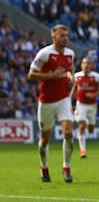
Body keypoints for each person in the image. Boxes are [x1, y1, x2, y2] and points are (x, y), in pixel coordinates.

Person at [28, 24, 75, 183]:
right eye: (62, 35)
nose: (65, 38)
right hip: (46, 102)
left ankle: (66, 168)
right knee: (45, 140)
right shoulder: (44, 54)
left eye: (66, 35)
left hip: (63, 99)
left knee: (68, 133)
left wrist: (71, 78)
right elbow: (31, 75)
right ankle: (44, 167)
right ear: (53, 37)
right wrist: (52, 76)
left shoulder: (70, 53)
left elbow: (70, 69)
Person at [72, 57, 99, 158]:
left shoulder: (96, 77)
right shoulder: (76, 76)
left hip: (92, 106)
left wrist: (94, 95)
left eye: (88, 63)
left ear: (91, 65)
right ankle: (83, 150)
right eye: (84, 63)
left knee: (90, 128)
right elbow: (72, 89)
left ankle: (88, 124)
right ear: (81, 65)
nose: (86, 65)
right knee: (82, 124)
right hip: (81, 104)